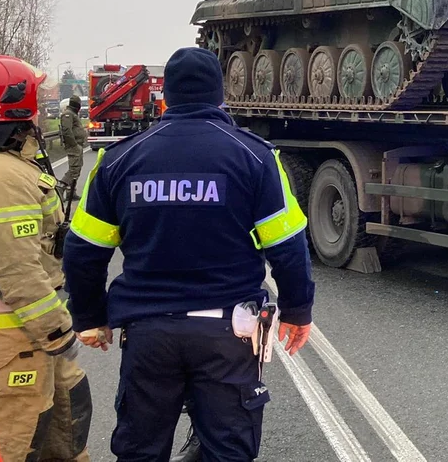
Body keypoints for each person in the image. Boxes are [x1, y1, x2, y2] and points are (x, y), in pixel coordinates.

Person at [63, 46, 315, 462]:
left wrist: (90, 318)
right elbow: (288, 246)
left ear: (167, 99)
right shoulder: (256, 158)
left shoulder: (117, 161)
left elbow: (83, 251)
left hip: (148, 336)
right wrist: (297, 309)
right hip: (227, 337)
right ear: (221, 97)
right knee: (227, 451)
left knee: (141, 451)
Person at [0, 55, 92, 462]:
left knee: (67, 435)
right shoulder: (2, 177)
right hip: (18, 343)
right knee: (15, 446)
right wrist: (57, 332)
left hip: (30, 340)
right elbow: (17, 270)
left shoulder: (12, 166)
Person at [58, 96, 89, 199]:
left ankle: (71, 192)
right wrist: (74, 144)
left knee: (77, 168)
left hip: (77, 145)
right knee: (74, 169)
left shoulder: (72, 114)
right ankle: (61, 186)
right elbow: (66, 131)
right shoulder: (68, 114)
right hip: (73, 146)